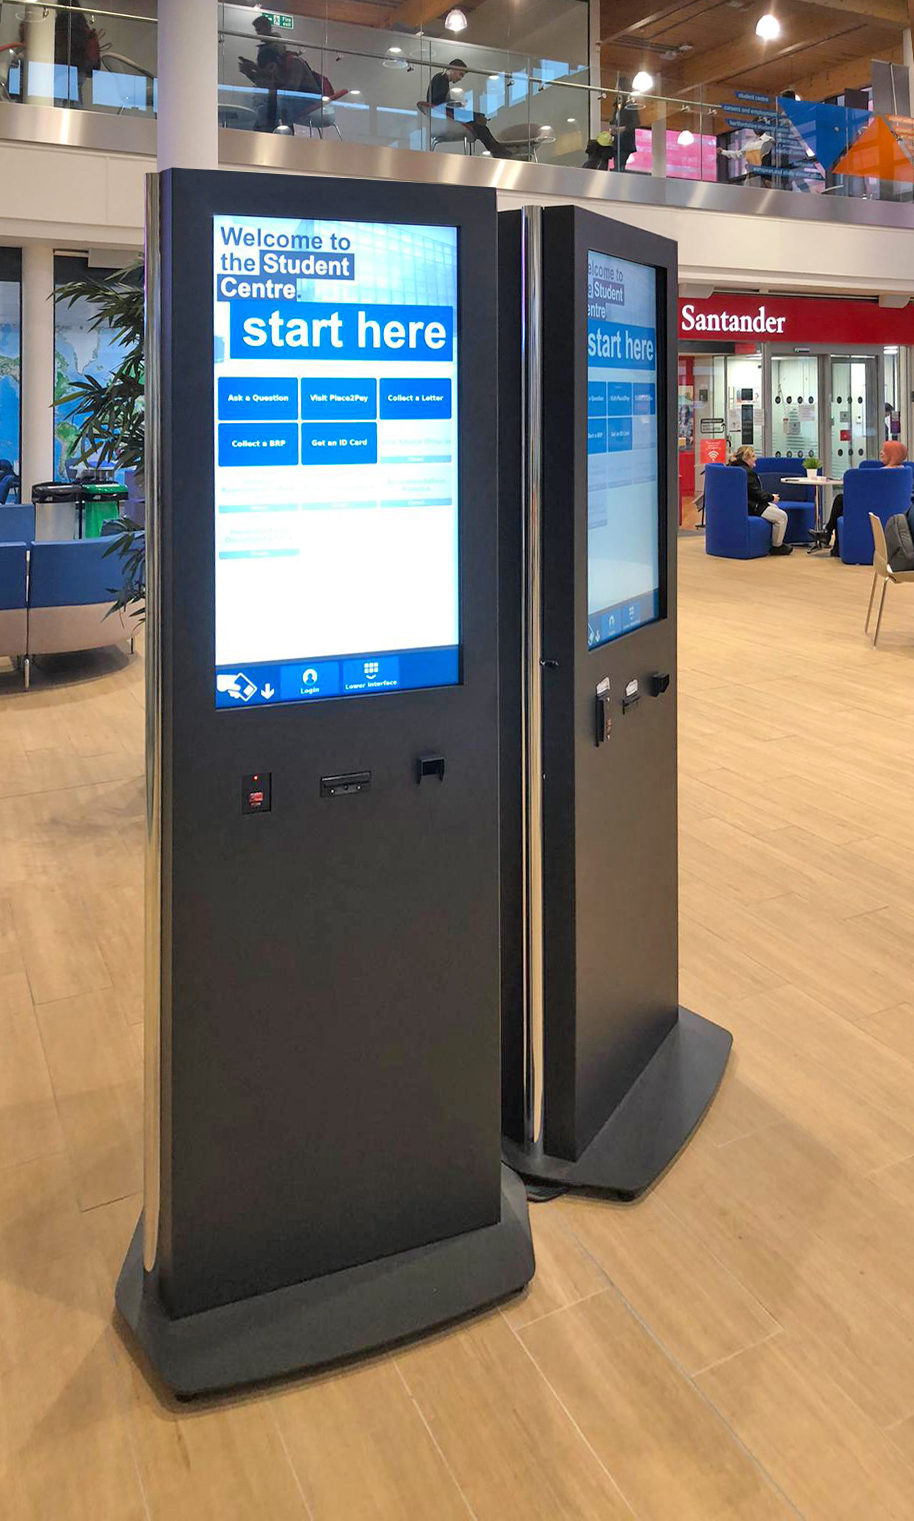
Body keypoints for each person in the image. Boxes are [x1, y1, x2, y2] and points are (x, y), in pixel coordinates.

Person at [823, 439, 910, 555]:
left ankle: (828, 534)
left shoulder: (883, 473)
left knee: (840, 500)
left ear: (893, 454)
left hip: (871, 510)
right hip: (885, 510)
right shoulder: (903, 472)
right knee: (841, 502)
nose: (881, 452)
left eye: (885, 451)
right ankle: (829, 536)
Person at [240, 14, 322, 133]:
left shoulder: (294, 62)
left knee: (278, 104)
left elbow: (291, 88)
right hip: (292, 101)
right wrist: (251, 73)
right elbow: (271, 84)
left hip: (308, 100)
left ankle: (280, 134)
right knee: (267, 107)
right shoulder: (281, 68)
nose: (270, 72)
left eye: (270, 68)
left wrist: (256, 71)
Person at [426, 60, 518, 158]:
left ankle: (499, 151)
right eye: (460, 74)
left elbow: (441, 103)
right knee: (480, 126)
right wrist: (469, 113)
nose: (460, 78)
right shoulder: (441, 79)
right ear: (454, 69)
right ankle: (500, 152)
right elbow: (440, 104)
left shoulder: (440, 79)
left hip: (444, 117)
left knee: (480, 126)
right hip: (445, 119)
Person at [730, 444, 793, 554]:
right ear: (746, 458)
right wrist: (771, 497)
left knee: (774, 507)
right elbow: (756, 494)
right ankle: (777, 546)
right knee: (782, 517)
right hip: (752, 506)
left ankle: (774, 540)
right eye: (753, 456)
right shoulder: (747, 473)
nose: (756, 459)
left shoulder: (734, 469)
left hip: (745, 504)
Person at [585, 78, 640, 171]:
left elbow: (636, 122)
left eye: (616, 85)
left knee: (619, 164)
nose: (615, 88)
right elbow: (615, 120)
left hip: (625, 141)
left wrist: (624, 128)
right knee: (617, 163)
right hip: (617, 140)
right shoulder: (618, 104)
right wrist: (613, 127)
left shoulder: (630, 103)